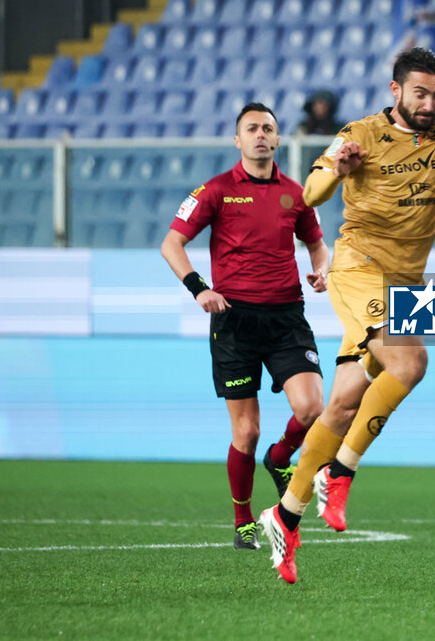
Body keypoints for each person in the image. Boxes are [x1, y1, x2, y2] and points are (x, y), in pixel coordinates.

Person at [257, 47, 435, 584]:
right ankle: (342, 469)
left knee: (342, 405)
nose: (429, 103)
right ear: (395, 90)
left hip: (409, 280)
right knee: (410, 363)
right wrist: (340, 169)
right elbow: (309, 193)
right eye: (420, 93)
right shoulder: (359, 132)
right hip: (359, 266)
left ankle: (285, 514)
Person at [160, 102, 329, 551]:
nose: (260, 135)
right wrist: (199, 288)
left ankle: (280, 457)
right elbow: (171, 243)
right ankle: (242, 520)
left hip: (287, 316)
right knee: (246, 432)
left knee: (313, 407)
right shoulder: (214, 191)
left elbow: (317, 243)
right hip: (233, 320)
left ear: (277, 139)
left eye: (268, 129)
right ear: (238, 140)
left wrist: (322, 269)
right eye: (251, 128)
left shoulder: (296, 192)